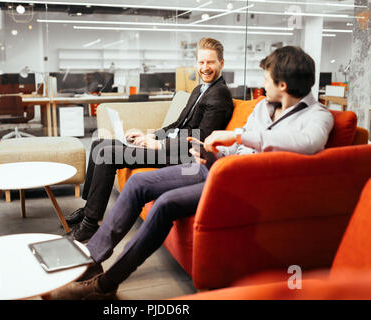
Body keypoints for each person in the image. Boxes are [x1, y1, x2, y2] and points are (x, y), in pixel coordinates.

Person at [43, 45, 335, 300]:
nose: (262, 83)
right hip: (210, 167)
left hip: (238, 186)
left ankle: (104, 285)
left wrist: (237, 138)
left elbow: (307, 145)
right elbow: (238, 143)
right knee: (139, 183)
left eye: (266, 79)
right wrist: (214, 150)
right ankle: (92, 257)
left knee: (167, 203)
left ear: (282, 84)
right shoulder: (263, 108)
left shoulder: (318, 116)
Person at [66, 38, 234, 242]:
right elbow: (177, 124)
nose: (205, 68)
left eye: (210, 62)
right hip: (169, 145)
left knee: (107, 153)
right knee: (99, 143)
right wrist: (150, 135)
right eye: (201, 62)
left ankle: (90, 224)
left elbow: (200, 140)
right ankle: (87, 209)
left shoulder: (220, 95)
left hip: (183, 156)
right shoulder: (199, 90)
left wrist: (159, 144)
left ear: (221, 63)